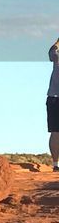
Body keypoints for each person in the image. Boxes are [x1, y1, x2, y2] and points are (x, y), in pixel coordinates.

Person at [49, 38, 59, 171]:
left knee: (56, 132)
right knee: (56, 132)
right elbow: (52, 52)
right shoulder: (57, 56)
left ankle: (56, 164)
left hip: (54, 98)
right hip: (55, 98)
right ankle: (56, 164)